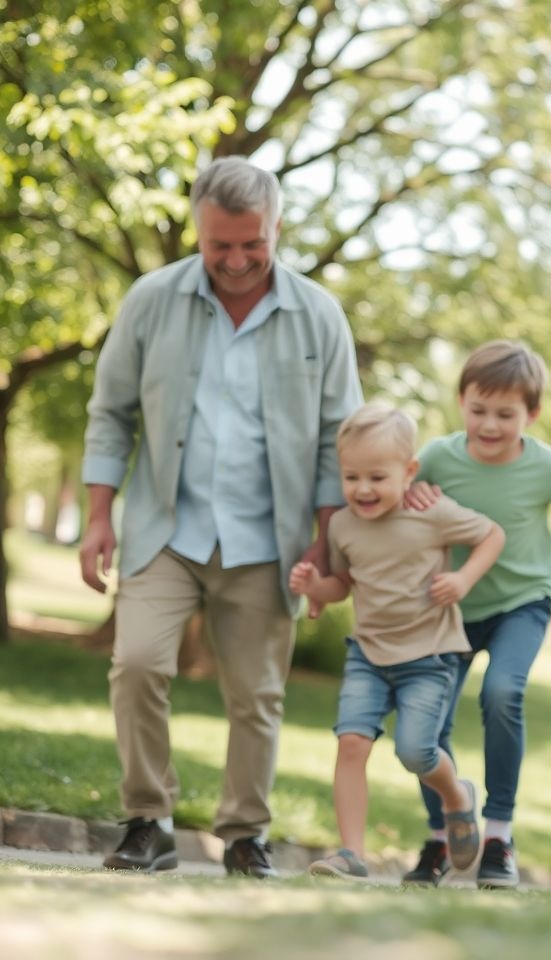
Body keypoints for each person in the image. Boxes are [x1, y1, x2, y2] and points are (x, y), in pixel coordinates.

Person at [79, 156, 363, 878]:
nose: (236, 261)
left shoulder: (319, 315)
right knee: (138, 664)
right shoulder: (151, 300)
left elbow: (343, 438)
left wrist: (328, 546)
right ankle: (148, 819)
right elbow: (110, 414)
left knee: (257, 695)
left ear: (275, 228)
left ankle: (245, 834)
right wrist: (98, 516)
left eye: (252, 243)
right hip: (165, 527)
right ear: (198, 231)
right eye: (219, 245)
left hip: (271, 537)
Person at [402, 339, 551, 889]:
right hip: (452, 608)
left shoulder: (543, 464)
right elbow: (390, 494)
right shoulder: (438, 457)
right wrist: (409, 499)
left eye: (505, 414)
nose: (489, 425)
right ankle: (441, 836)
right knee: (428, 723)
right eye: (478, 410)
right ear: (460, 401)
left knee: (502, 692)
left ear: (531, 414)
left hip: (523, 600)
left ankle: (498, 833)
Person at [289, 402, 505, 880]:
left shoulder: (433, 514)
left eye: (377, 477)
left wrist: (464, 580)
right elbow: (343, 585)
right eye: (352, 477)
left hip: (429, 657)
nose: (363, 489)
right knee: (350, 744)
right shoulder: (342, 525)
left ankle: (456, 796)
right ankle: (351, 852)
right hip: (367, 654)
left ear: (409, 472)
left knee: (416, 752)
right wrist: (313, 588)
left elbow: (492, 535)